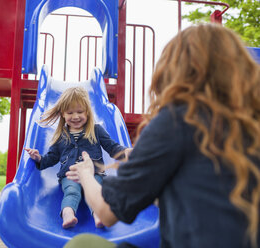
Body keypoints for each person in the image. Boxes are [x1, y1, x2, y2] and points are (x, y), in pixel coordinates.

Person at [65, 24, 260, 248]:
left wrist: (86, 173)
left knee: (83, 244)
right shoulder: (251, 127)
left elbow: (108, 211)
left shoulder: (178, 121)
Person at [25, 87, 132, 229]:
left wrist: (126, 152)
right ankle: (68, 215)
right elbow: (51, 158)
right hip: (70, 175)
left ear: (87, 112)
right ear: (63, 114)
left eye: (80, 112)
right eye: (70, 113)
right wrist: (38, 158)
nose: (75, 116)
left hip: (94, 173)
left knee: (96, 191)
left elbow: (112, 148)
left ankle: (99, 216)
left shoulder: (96, 130)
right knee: (72, 191)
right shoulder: (61, 137)